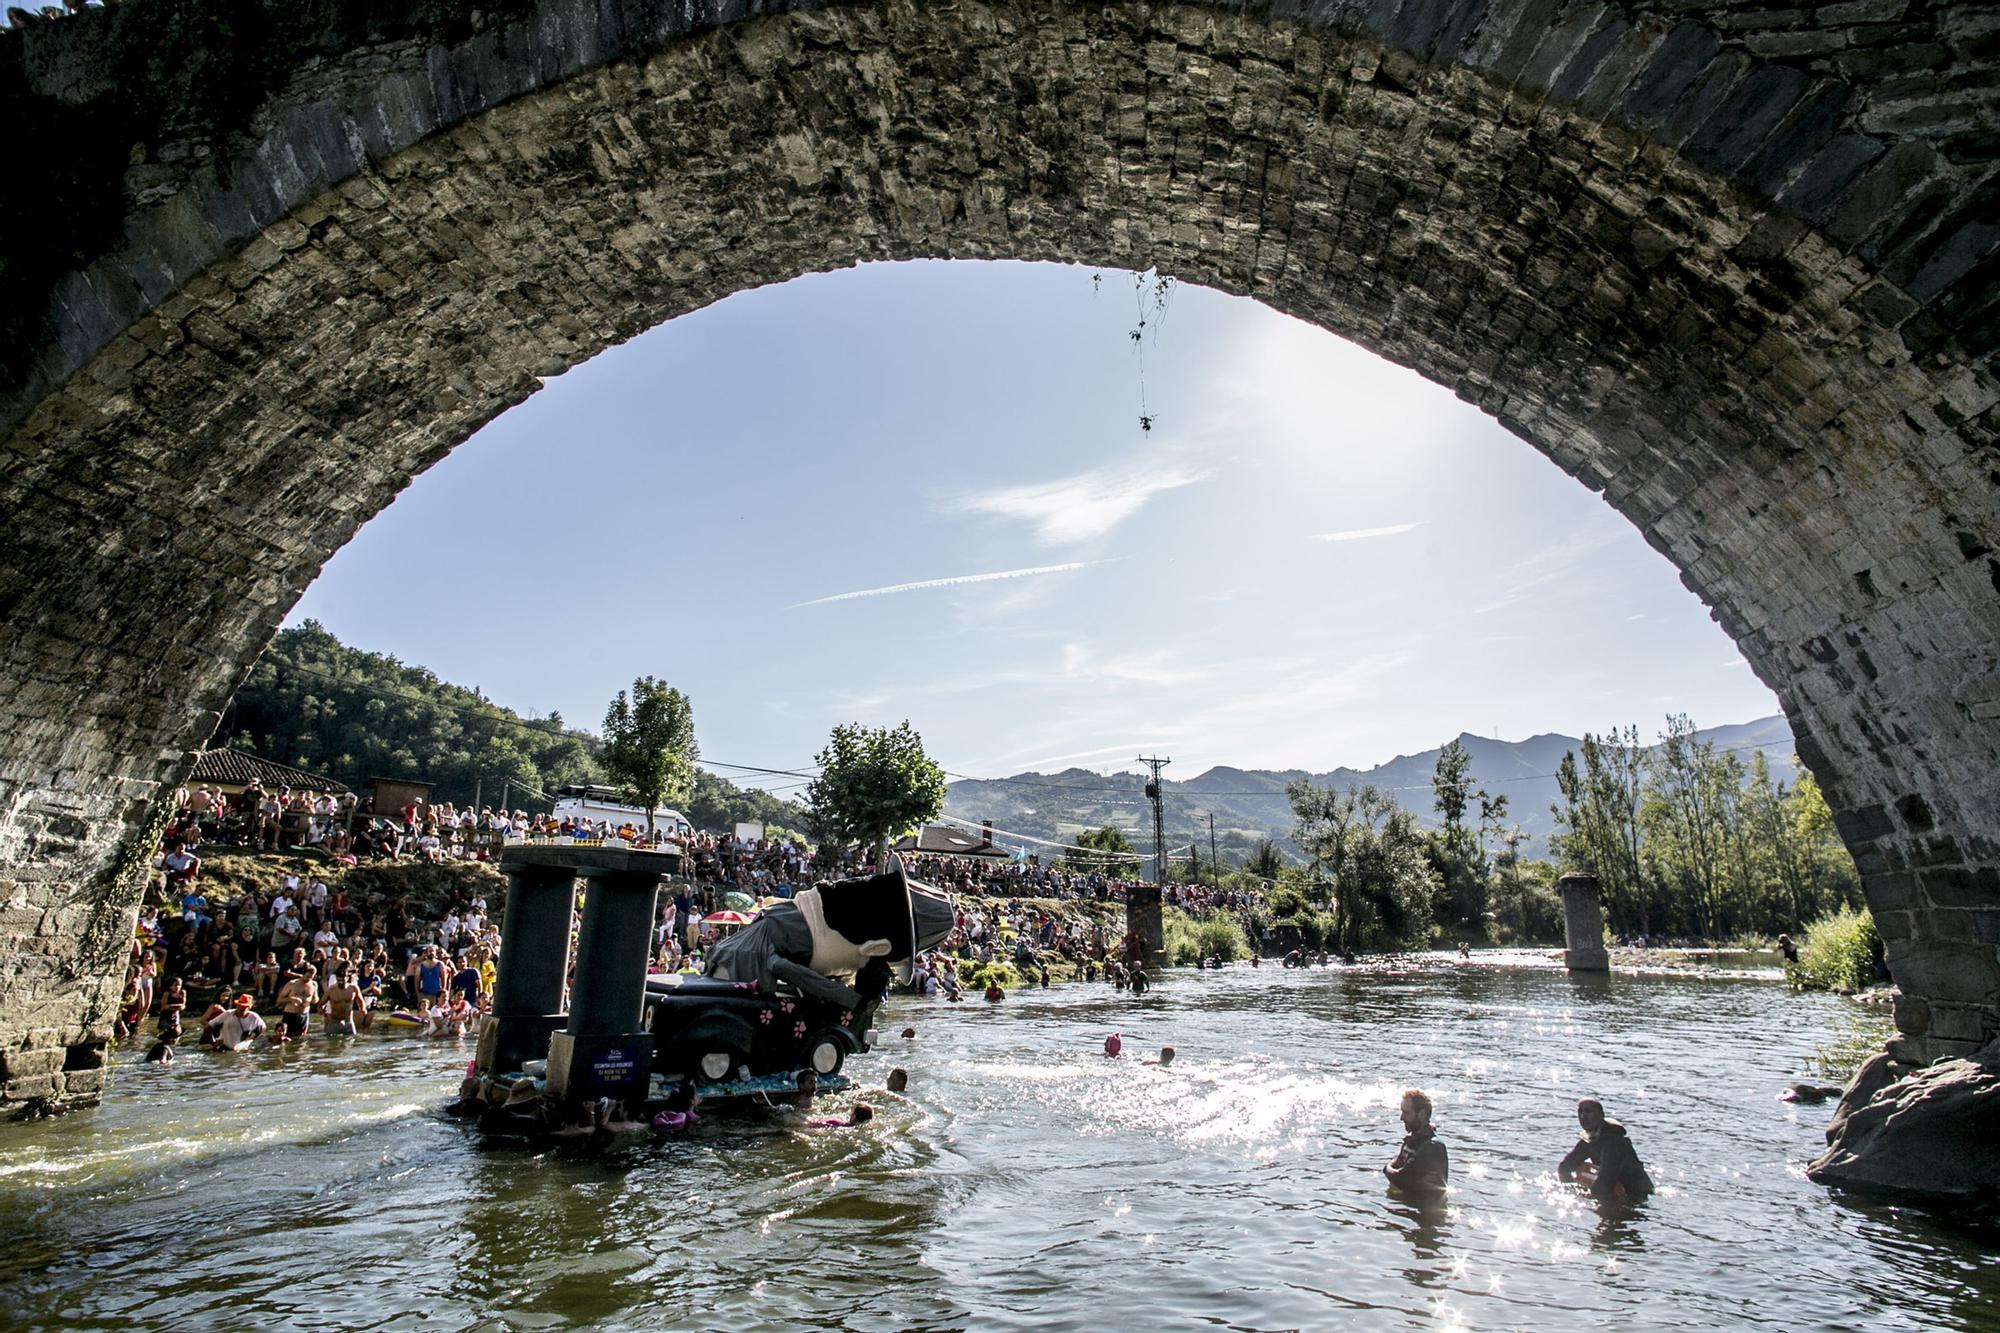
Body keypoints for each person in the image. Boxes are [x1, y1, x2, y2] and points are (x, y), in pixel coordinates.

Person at [1558, 1098, 1654, 1201]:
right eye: (1580, 1111)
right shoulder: (1589, 1140)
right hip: (1615, 1190)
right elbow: (1565, 1167)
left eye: (1589, 1111)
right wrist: (1569, 1190)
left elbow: (1603, 1186)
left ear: (1601, 1115)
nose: (1583, 1116)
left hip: (1637, 1196)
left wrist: (1583, 1200)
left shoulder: (1615, 1143)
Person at [1384, 1088, 1449, 1193]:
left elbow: (1401, 1179)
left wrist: (1387, 1168)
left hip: (1426, 1207)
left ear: (1422, 1114)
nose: (1401, 1118)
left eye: (1406, 1113)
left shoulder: (1433, 1147)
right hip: (1409, 1204)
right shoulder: (1411, 1141)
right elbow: (1397, 1166)